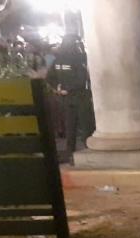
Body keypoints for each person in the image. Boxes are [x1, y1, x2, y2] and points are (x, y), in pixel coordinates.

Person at [47, 34, 91, 163]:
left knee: (70, 127)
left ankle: (70, 154)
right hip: (79, 97)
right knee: (86, 126)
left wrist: (58, 88)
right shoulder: (78, 58)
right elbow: (82, 79)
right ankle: (88, 154)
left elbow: (49, 78)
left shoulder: (58, 60)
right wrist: (68, 88)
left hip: (65, 99)